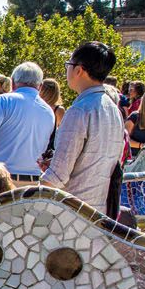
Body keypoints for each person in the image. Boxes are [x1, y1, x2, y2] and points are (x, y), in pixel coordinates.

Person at [40, 42, 125, 211]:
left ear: (79, 70)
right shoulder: (113, 109)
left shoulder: (79, 110)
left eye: (68, 65)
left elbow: (57, 176)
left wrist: (32, 200)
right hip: (98, 210)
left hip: (71, 212)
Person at [0, 62, 55, 177]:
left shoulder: (3, 100)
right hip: (32, 183)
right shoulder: (49, 111)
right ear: (41, 86)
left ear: (13, 82)